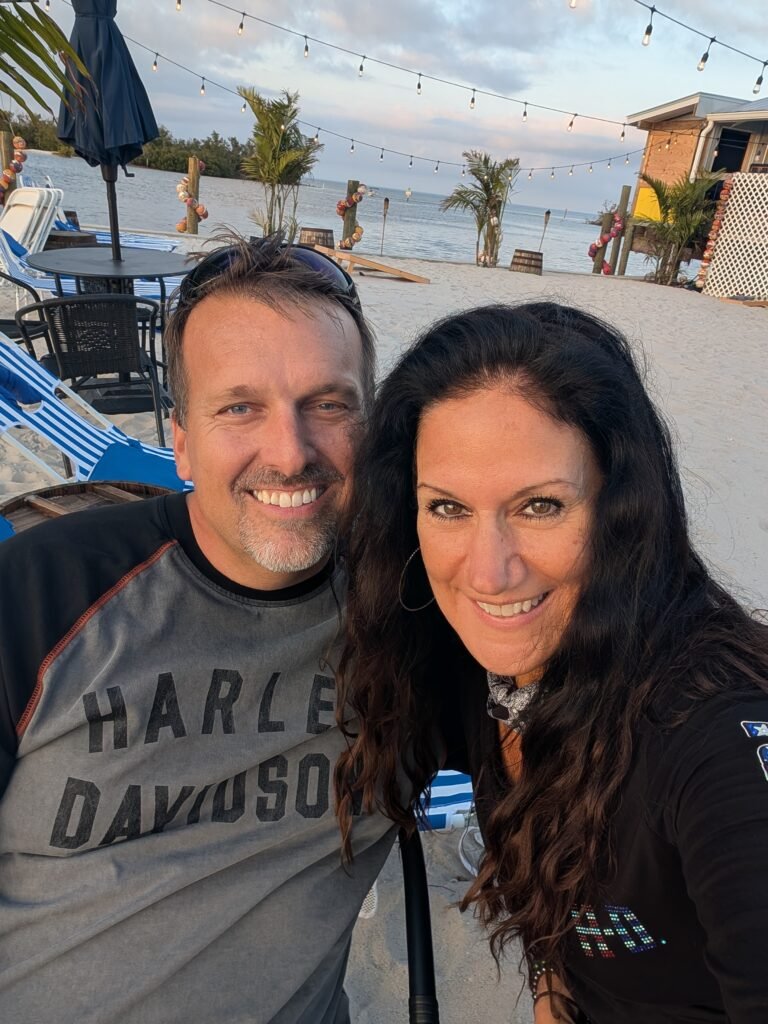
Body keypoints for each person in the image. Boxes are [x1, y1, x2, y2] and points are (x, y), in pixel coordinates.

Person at [0, 235, 396, 1024]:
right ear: (180, 440)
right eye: (239, 407)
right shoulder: (45, 591)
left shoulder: (416, 616)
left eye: (328, 404)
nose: (290, 453)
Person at [336, 302, 768, 1024]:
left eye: (539, 506)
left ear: (621, 509)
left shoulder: (716, 735)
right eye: (447, 508)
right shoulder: (481, 674)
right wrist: (550, 984)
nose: (489, 571)